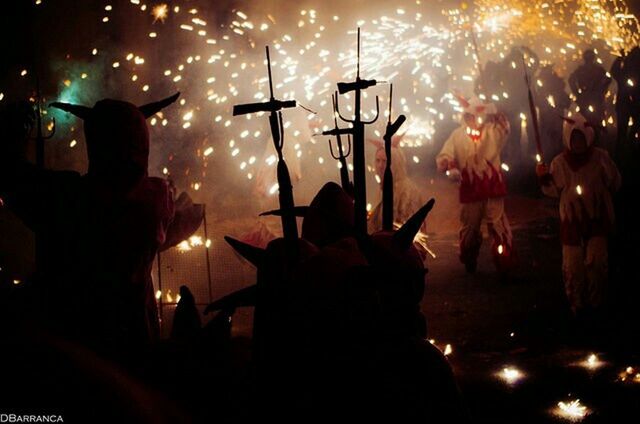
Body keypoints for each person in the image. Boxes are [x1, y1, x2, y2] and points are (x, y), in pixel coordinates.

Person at [0, 94, 201, 359]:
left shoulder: (68, 198)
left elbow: (11, 177)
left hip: (73, 347)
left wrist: (15, 135)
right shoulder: (156, 201)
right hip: (133, 342)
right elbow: (185, 216)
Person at [536, 113, 621, 320]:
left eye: (581, 139)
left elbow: (615, 182)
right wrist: (543, 178)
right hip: (571, 221)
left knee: (597, 263)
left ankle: (596, 304)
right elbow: (552, 191)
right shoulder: (560, 162)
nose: (578, 143)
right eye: (574, 139)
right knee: (573, 266)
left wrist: (609, 174)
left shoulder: (601, 158)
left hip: (596, 219)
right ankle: (577, 306)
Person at [436, 95, 513, 275]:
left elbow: (504, 130)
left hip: (493, 189)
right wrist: (449, 164)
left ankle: (505, 263)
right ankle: (469, 257)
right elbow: (446, 154)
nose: (474, 120)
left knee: (499, 227)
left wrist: (498, 117)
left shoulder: (492, 131)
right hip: (471, 191)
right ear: (465, 116)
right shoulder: (458, 135)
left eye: (478, 116)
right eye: (470, 116)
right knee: (470, 230)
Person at [368, 136, 427, 239]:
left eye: (385, 161)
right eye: (378, 161)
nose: (380, 166)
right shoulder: (382, 188)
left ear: (396, 163)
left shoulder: (408, 192)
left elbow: (410, 230)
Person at [535, 65, 571, 159]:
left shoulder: (557, 87)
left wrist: (559, 105)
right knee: (548, 138)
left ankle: (557, 157)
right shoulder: (542, 89)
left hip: (555, 116)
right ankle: (549, 158)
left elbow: (566, 102)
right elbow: (538, 102)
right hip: (547, 117)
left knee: (555, 137)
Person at [568, 49, 611, 128]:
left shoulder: (597, 70)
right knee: (587, 119)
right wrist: (577, 93)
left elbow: (608, 80)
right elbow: (571, 80)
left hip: (593, 97)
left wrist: (602, 91)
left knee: (595, 118)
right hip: (588, 97)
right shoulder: (584, 70)